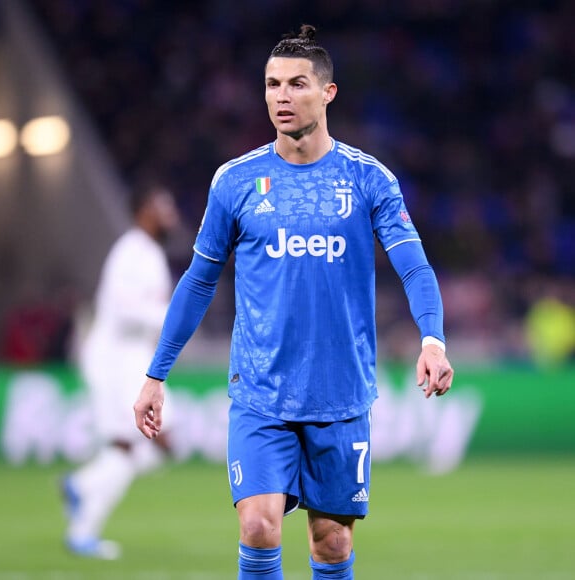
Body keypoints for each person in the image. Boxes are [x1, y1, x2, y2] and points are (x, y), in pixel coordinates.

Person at [134, 25, 454, 579]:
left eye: (296, 84)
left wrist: (432, 338)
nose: (280, 96)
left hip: (341, 394)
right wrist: (156, 374)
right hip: (261, 393)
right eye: (271, 84)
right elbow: (198, 281)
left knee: (330, 544)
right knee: (258, 525)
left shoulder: (368, 179)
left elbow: (414, 265)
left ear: (328, 93)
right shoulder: (235, 181)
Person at [62, 182, 181, 559]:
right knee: (134, 443)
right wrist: (173, 315)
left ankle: (83, 494)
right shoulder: (130, 252)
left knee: (146, 445)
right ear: (143, 211)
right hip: (113, 360)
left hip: (132, 360)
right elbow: (122, 307)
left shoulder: (148, 254)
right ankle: (83, 517)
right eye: (164, 206)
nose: (171, 214)